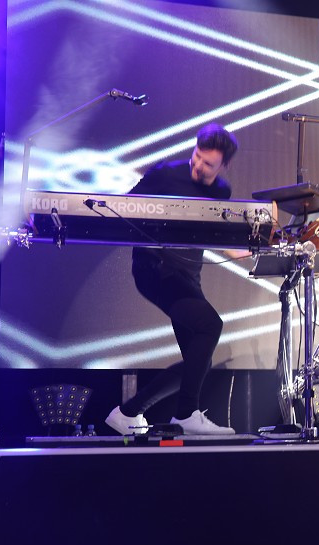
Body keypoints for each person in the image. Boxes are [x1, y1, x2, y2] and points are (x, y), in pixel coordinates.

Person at [105, 124, 240, 435]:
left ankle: (127, 413)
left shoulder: (222, 191)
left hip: (188, 277)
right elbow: (125, 209)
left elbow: (214, 234)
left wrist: (246, 251)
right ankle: (186, 414)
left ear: (223, 166)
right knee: (210, 325)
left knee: (197, 360)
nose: (198, 166)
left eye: (208, 164)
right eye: (196, 157)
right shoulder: (165, 174)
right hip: (155, 270)